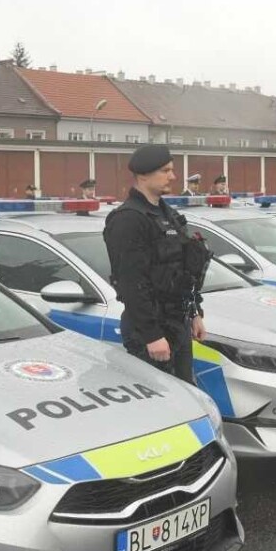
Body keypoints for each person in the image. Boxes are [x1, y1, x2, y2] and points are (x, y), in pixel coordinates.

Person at [103, 144, 210, 384]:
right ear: (143, 175)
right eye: (165, 171)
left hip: (177, 323)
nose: (173, 176)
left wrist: (194, 313)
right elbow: (131, 283)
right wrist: (151, 335)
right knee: (163, 398)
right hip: (150, 332)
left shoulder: (167, 214)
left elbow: (184, 269)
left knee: (187, 394)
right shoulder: (128, 220)